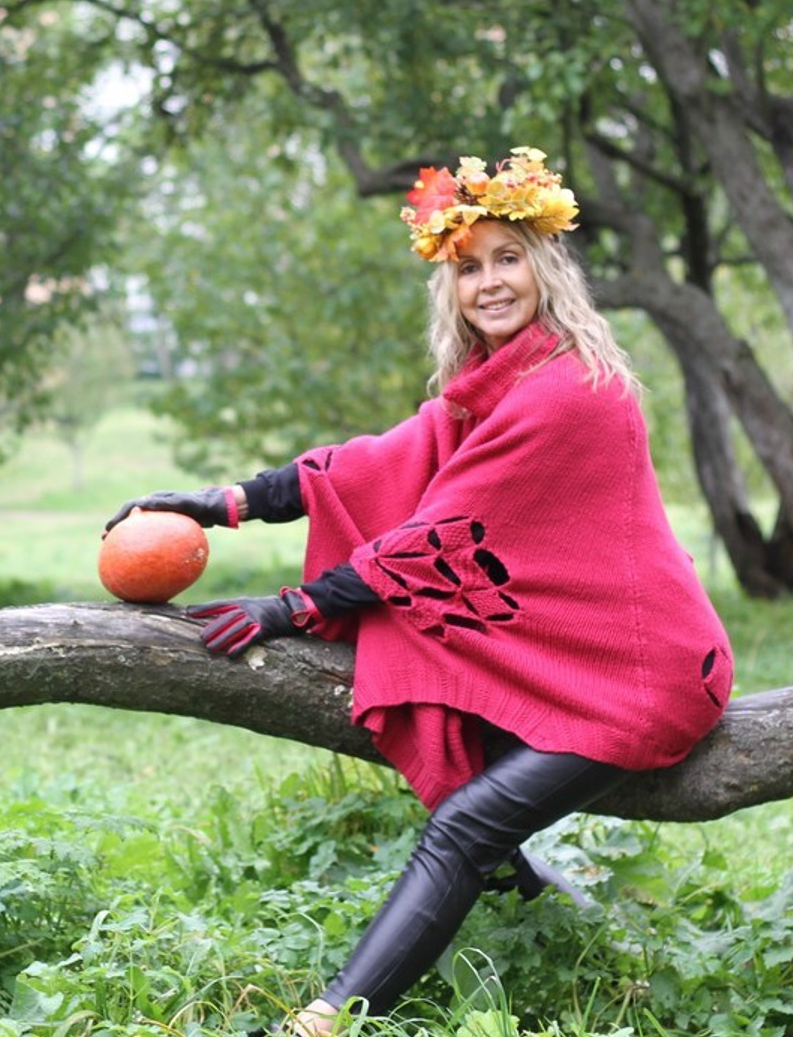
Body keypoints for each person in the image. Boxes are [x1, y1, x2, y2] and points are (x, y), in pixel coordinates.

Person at [104, 148, 733, 1034]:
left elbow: (428, 543)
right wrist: (221, 504)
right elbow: (371, 466)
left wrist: (286, 608)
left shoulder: (570, 393)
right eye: (467, 268)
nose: (489, 283)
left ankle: (330, 1017)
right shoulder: (494, 386)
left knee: (464, 826)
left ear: (546, 266)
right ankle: (571, 941)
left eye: (507, 258)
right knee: (462, 731)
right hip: (581, 660)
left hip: (644, 676)